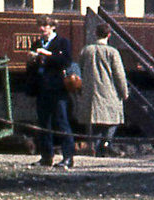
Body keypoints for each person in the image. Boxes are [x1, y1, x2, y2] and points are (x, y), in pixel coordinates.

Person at [27, 15, 76, 168]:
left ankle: (68, 157)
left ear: (53, 27)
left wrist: (47, 55)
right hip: (42, 88)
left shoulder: (62, 42)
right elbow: (31, 68)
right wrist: (32, 60)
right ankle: (46, 157)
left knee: (61, 122)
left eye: (45, 25)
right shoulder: (36, 44)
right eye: (40, 26)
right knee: (44, 124)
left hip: (57, 88)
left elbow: (66, 61)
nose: (42, 28)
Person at [80, 23, 129, 157]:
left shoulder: (86, 50)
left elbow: (81, 68)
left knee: (96, 121)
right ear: (109, 35)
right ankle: (106, 143)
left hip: (92, 92)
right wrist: (124, 92)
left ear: (95, 34)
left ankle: (96, 148)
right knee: (114, 119)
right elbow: (119, 75)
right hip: (109, 91)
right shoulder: (112, 52)